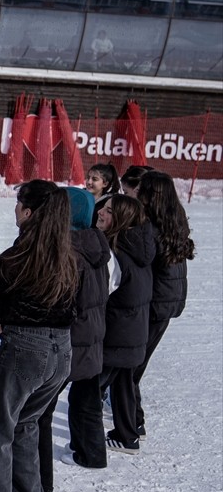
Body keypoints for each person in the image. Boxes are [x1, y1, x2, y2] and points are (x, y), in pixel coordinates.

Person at [0, 180, 79, 492]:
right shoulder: (68, 257)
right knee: (26, 423)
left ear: (29, 213)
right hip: (61, 351)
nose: (15, 211)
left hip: (25, 350)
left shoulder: (16, 258)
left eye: (19, 205)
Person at [46, 188, 112, 476]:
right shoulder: (96, 244)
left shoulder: (68, 249)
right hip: (94, 332)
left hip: (72, 335)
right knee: (87, 397)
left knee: (40, 407)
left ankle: (37, 478)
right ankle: (93, 453)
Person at [132, 171, 194, 447]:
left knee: (130, 365)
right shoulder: (174, 218)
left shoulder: (151, 225)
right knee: (134, 364)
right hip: (168, 301)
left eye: (141, 190)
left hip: (155, 302)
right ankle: (131, 419)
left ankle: (132, 424)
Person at [96, 194, 156, 455]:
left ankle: (89, 450)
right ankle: (130, 433)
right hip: (133, 332)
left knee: (88, 391)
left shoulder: (116, 253)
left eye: (108, 211)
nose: (101, 213)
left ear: (120, 219)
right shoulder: (136, 247)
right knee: (122, 384)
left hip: (118, 333)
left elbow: (102, 295)